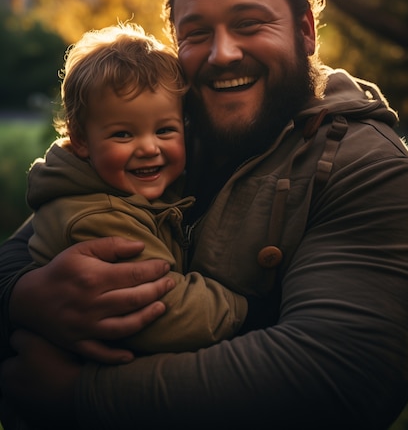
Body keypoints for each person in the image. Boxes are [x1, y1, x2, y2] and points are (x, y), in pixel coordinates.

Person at [1, 0, 408, 430]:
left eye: (249, 24)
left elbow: (338, 376)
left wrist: (81, 397)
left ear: (306, 30)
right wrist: (24, 297)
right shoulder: (167, 133)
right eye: (196, 32)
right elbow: (39, 229)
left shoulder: (368, 168)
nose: (222, 54)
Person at [24, 22, 247, 355]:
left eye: (165, 130)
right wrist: (248, 307)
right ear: (82, 140)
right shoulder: (102, 217)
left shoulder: (121, 188)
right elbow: (166, 312)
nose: (148, 148)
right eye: (123, 135)